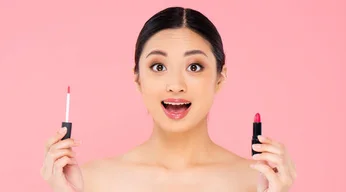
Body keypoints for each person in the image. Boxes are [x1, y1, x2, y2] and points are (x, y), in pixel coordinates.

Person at [40, 6, 297, 192]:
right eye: (158, 67)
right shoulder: (90, 181)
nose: (175, 85)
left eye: (194, 67)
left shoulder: (257, 182)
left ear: (220, 78)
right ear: (137, 77)